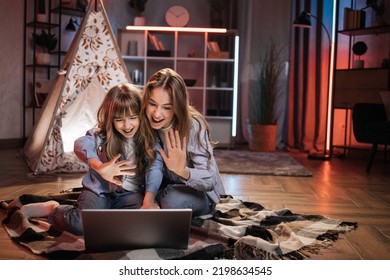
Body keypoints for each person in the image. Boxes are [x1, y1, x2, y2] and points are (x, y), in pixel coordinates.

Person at [6, 83, 147, 235]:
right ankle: (54, 209)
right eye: (120, 120)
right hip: (98, 192)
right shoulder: (100, 135)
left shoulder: (146, 138)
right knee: (79, 225)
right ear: (111, 118)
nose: (127, 125)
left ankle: (105, 219)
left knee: (136, 223)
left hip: (129, 195)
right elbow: (80, 144)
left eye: (133, 117)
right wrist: (99, 166)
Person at [139, 68, 226, 216]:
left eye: (166, 107)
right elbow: (155, 165)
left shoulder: (193, 125)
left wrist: (183, 171)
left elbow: (209, 181)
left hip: (201, 194)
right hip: (168, 187)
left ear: (177, 107)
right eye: (152, 104)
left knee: (171, 201)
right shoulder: (147, 123)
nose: (156, 113)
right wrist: (149, 198)